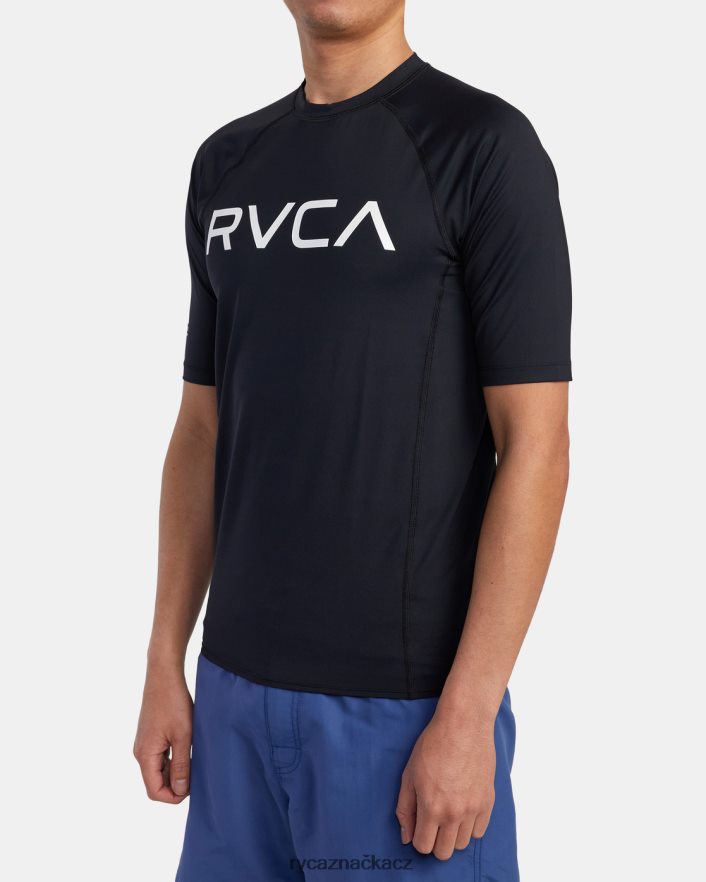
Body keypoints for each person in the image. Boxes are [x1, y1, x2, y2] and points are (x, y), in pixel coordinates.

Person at [133, 1, 572, 879]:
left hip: (402, 716)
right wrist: (163, 661)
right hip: (231, 696)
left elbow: (537, 444)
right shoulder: (225, 162)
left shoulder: (482, 146)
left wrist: (467, 714)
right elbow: (202, 428)